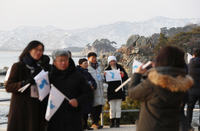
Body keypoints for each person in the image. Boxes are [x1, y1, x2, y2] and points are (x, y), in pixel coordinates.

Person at [128, 46, 193, 131]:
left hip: (151, 127)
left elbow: (133, 93)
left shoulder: (153, 84)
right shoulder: (181, 83)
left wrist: (137, 74)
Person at [5, 40, 50, 131]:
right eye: (36, 49)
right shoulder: (18, 66)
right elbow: (8, 86)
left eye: (41, 50)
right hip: (21, 110)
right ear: (29, 50)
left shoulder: (41, 69)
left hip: (37, 110)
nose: (39, 52)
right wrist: (23, 83)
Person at [47, 49, 93, 131]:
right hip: (54, 120)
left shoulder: (77, 76)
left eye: (65, 60)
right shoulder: (49, 78)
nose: (63, 63)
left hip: (73, 119)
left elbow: (88, 92)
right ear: (54, 62)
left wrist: (78, 100)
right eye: (60, 60)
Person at [104, 56, 128, 128]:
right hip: (111, 90)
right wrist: (104, 76)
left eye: (114, 61)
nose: (113, 63)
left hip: (119, 89)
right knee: (112, 107)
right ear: (109, 62)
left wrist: (122, 74)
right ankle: (111, 122)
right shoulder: (107, 70)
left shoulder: (120, 68)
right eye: (111, 61)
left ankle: (117, 122)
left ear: (116, 61)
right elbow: (106, 81)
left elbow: (126, 78)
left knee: (118, 107)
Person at [77, 58, 97, 130]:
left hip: (88, 95)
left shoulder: (88, 73)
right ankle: (81, 126)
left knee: (86, 111)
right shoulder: (78, 73)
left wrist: (93, 86)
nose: (86, 65)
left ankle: (85, 125)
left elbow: (93, 81)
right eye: (85, 63)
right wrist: (88, 87)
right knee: (81, 111)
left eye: (86, 63)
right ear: (80, 64)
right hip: (81, 95)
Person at [87, 52, 105, 129]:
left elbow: (100, 77)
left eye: (95, 57)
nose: (94, 59)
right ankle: (94, 123)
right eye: (92, 58)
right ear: (88, 58)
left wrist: (105, 77)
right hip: (93, 90)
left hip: (100, 90)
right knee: (93, 107)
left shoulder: (98, 67)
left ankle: (96, 122)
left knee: (99, 107)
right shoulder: (87, 67)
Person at [187, 49, 200, 131]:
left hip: (191, 90)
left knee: (189, 107)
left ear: (194, 55)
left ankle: (188, 125)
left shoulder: (189, 65)